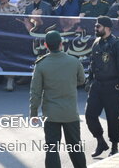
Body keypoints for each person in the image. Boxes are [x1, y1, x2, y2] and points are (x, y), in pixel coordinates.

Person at [30, 31, 86, 168]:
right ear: (61, 44)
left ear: (45, 45)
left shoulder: (41, 64)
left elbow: (35, 92)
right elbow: (82, 80)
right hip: (70, 113)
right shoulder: (74, 61)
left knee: (52, 148)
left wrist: (33, 113)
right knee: (75, 146)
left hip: (51, 114)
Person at [86, 16, 119, 158]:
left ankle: (114, 146)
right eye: (95, 26)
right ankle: (100, 141)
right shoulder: (96, 42)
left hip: (112, 85)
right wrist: (89, 79)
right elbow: (92, 63)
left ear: (107, 28)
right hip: (97, 85)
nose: (96, 28)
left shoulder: (116, 43)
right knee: (90, 115)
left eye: (98, 26)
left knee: (112, 117)